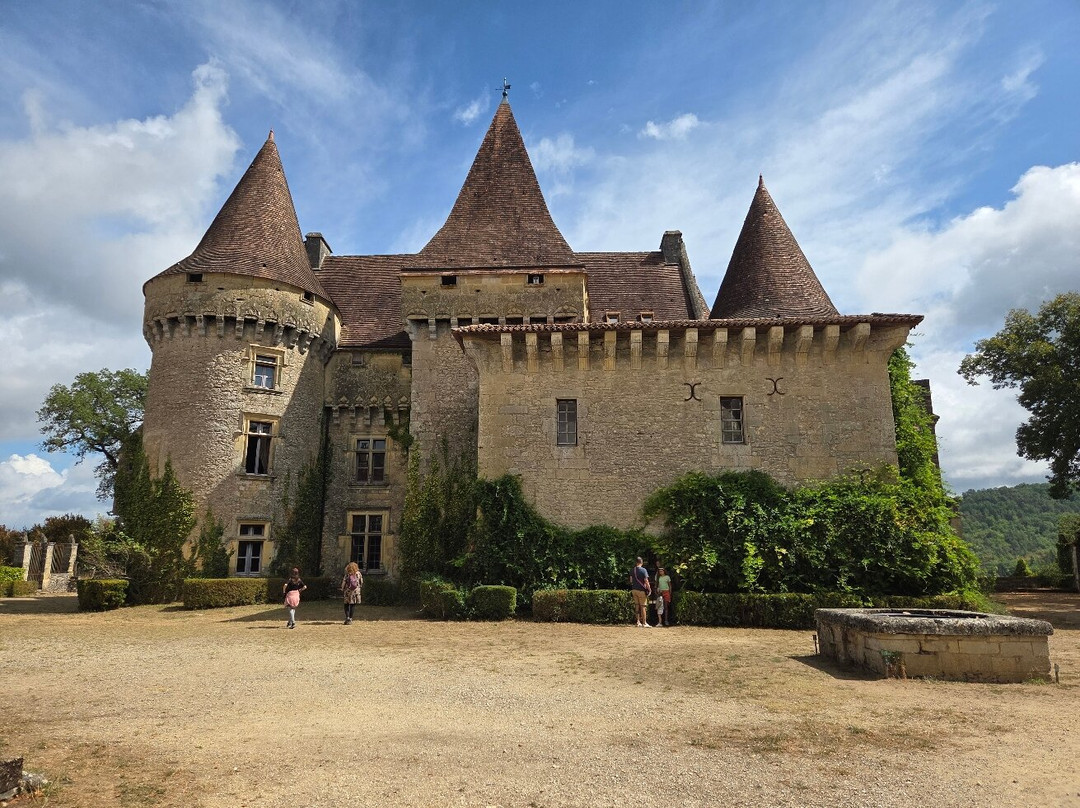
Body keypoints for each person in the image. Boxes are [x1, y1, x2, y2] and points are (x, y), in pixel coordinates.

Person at [629, 557, 651, 627]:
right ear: (642, 562)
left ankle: (638, 622)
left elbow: (631, 581)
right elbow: (646, 581)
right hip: (641, 590)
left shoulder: (632, 570)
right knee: (643, 606)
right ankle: (644, 623)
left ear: (636, 562)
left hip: (634, 590)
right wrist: (649, 589)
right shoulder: (643, 570)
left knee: (637, 606)